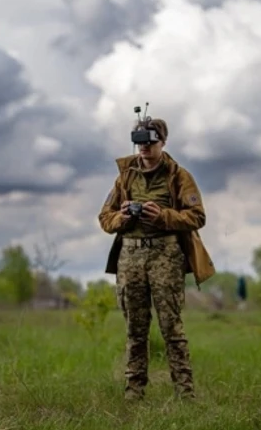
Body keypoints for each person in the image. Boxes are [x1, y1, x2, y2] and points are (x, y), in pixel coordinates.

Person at [98, 115, 215, 400]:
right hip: (130, 257)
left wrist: (162, 216)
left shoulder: (178, 175)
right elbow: (104, 217)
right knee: (135, 330)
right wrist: (122, 218)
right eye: (139, 142)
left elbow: (197, 216)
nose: (144, 149)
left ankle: (185, 393)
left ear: (162, 142)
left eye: (150, 142)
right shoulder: (125, 176)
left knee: (171, 328)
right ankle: (134, 392)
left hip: (166, 255)